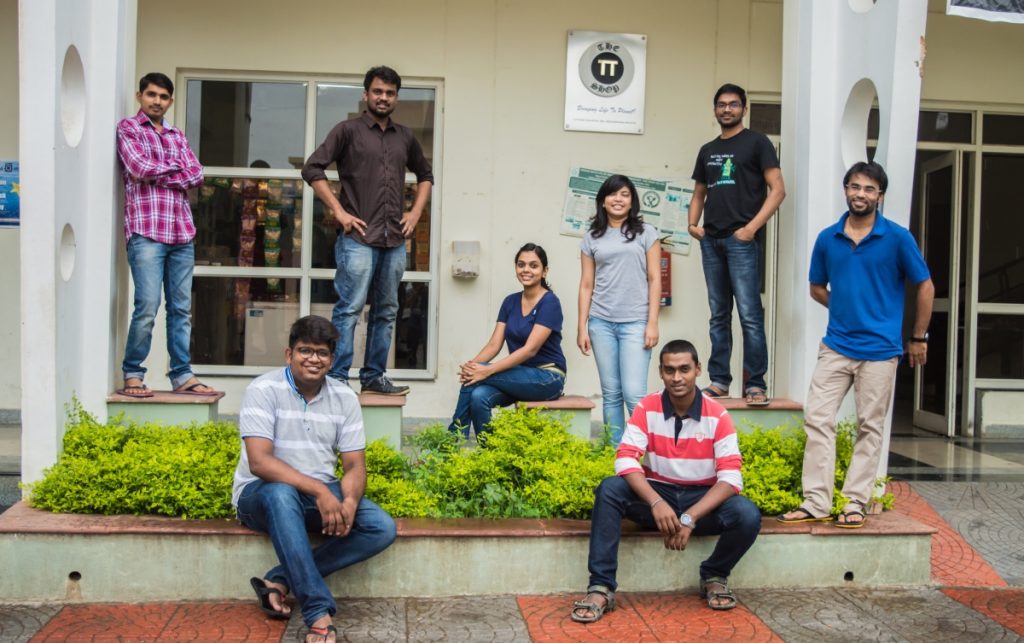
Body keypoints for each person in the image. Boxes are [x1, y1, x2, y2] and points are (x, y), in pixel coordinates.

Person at [779, 161, 934, 528]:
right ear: (845, 189)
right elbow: (817, 287)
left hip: (881, 351)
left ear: (880, 195)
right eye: (854, 186)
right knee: (818, 418)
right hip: (836, 346)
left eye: (868, 189)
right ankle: (816, 501)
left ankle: (854, 502)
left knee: (870, 426)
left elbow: (924, 285)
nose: (860, 194)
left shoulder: (897, 237)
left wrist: (917, 336)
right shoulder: (827, 238)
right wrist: (846, 307)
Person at [571, 340, 761, 622]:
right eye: (669, 370)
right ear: (660, 372)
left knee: (747, 514)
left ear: (698, 370)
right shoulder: (647, 408)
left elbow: (731, 477)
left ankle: (714, 574)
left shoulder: (718, 415)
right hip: (658, 500)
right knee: (610, 489)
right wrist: (656, 502)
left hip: (701, 501)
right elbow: (625, 459)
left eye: (684, 369)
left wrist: (690, 517)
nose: (677, 377)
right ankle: (601, 586)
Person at [233, 315, 396, 643]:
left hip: (315, 493)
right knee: (281, 493)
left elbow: (354, 465)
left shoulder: (344, 398)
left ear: (332, 360)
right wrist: (321, 491)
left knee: (381, 527)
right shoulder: (263, 389)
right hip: (260, 495)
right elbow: (261, 463)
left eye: (322, 353)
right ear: (288, 354)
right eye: (304, 350)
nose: (313, 359)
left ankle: (280, 579)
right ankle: (318, 611)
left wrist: (348, 500)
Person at [302, 65, 434, 396]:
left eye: (390, 93)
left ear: (396, 98)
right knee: (349, 308)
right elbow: (312, 167)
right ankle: (336, 379)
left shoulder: (405, 136)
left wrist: (416, 212)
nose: (383, 97)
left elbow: (426, 174)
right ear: (366, 94)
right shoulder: (347, 131)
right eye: (377, 91)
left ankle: (374, 376)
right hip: (357, 238)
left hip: (394, 240)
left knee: (387, 310)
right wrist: (339, 211)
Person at [116, 72, 215, 398]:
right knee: (147, 305)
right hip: (146, 231)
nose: (157, 101)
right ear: (140, 96)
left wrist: (166, 172)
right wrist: (176, 171)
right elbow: (138, 168)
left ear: (170, 101)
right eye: (151, 95)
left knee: (181, 310)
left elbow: (197, 174)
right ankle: (133, 374)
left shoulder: (177, 134)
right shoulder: (128, 129)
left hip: (181, 233)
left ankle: (182, 375)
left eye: (163, 96)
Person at [687, 83, 786, 406]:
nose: (726, 109)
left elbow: (777, 190)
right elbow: (700, 193)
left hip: (741, 241)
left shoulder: (758, 143)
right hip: (711, 241)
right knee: (718, 315)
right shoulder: (707, 149)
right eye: (721, 105)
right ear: (714, 109)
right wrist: (692, 225)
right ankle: (719, 381)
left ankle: (755, 384)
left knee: (749, 315)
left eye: (732, 104)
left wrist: (751, 229)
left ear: (743, 108)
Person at [448, 243, 567, 439]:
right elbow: (494, 345)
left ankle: (448, 445)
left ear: (544, 271)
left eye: (533, 265)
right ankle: (490, 455)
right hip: (518, 378)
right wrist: (472, 367)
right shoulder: (510, 301)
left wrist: (484, 370)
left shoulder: (550, 302)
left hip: (548, 377)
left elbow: (530, 350)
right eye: (521, 265)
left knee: (477, 377)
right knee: (478, 396)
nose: (526, 270)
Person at [577, 175, 661, 446]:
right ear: (603, 201)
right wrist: (582, 327)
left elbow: (654, 279)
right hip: (601, 323)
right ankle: (615, 453)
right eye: (613, 194)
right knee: (611, 393)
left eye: (625, 194)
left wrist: (652, 323)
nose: (618, 199)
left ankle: (642, 453)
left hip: (636, 323)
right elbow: (586, 284)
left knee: (634, 394)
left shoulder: (646, 232)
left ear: (632, 201)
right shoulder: (591, 237)